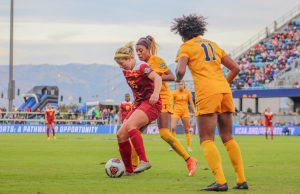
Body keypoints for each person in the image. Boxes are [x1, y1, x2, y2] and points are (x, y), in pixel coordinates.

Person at [172, 14, 248, 191]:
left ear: (182, 33)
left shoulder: (186, 46)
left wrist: (177, 77)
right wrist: (222, 85)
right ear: (199, 30)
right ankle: (241, 180)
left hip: (207, 92)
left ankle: (220, 181)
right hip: (224, 90)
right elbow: (236, 68)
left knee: (206, 139)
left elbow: (181, 71)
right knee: (228, 137)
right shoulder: (213, 44)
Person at [136, 36, 198, 176]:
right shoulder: (140, 65)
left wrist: (155, 76)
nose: (138, 53)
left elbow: (171, 77)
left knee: (164, 133)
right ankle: (133, 165)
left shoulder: (157, 61)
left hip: (162, 98)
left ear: (148, 49)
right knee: (136, 131)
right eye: (137, 51)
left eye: (141, 50)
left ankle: (189, 160)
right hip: (149, 99)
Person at [114, 42, 162, 175]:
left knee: (131, 126)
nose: (121, 67)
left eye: (122, 63)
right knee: (120, 135)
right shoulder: (126, 70)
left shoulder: (142, 66)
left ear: (129, 58)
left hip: (152, 103)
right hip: (139, 104)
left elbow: (157, 78)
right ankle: (128, 170)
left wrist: (155, 94)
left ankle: (144, 161)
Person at [171, 81, 195, 152]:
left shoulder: (188, 92)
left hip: (185, 112)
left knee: (187, 129)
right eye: (179, 84)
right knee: (173, 128)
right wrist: (170, 110)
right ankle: (173, 146)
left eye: (182, 84)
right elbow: (172, 103)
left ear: (184, 85)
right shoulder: (174, 92)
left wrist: (194, 110)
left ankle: (188, 146)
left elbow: (191, 102)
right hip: (176, 111)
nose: (180, 85)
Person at [119, 93, 139, 169]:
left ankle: (133, 162)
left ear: (129, 97)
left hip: (131, 122)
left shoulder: (132, 103)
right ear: (125, 97)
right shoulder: (122, 103)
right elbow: (120, 111)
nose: (127, 97)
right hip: (124, 121)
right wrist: (119, 117)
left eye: (128, 96)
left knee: (131, 139)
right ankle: (127, 160)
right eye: (126, 96)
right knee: (124, 138)